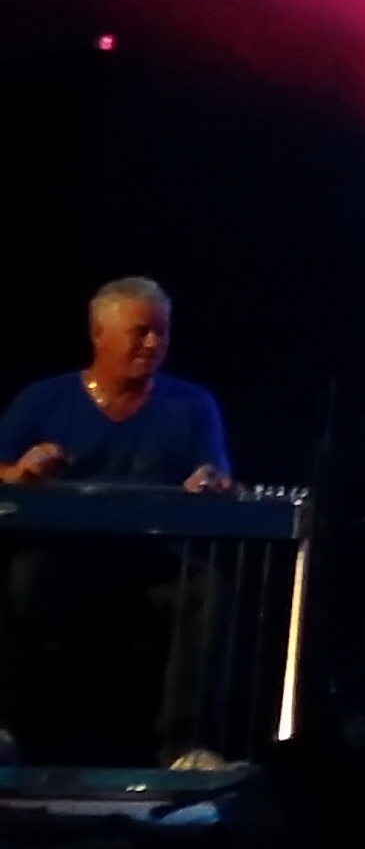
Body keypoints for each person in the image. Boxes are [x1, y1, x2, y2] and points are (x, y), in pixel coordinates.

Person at [0, 277, 235, 765]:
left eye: (161, 332)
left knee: (206, 588)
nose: (153, 343)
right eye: (140, 331)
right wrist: (20, 473)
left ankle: (186, 746)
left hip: (153, 566)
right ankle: (10, 733)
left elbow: (216, 475)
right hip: (64, 563)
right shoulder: (43, 400)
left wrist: (209, 482)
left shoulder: (193, 405)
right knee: (21, 577)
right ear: (99, 334)